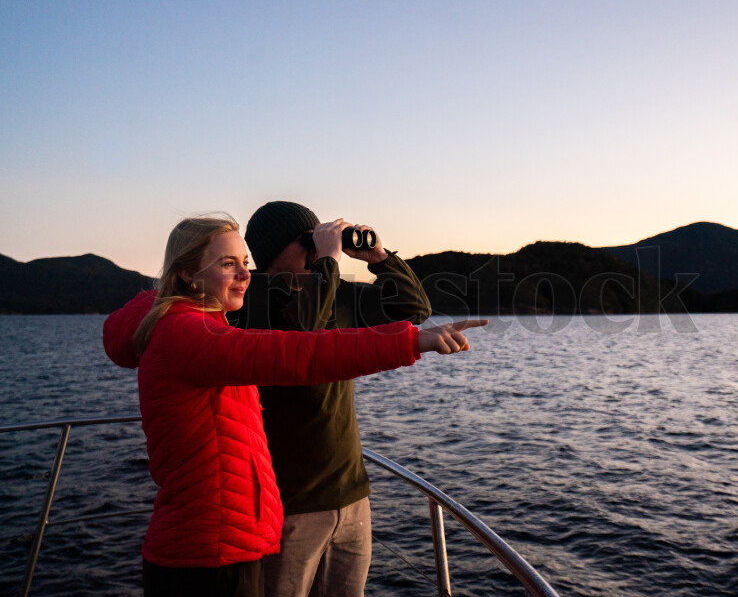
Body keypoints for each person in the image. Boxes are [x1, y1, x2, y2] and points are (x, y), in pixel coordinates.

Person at [102, 215, 486, 597]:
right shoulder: (230, 315)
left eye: (243, 262)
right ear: (188, 273)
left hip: (300, 507)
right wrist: (334, 268)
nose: (241, 273)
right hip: (249, 526)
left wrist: (379, 257)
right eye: (227, 263)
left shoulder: (210, 321)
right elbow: (304, 347)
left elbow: (412, 308)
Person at [229, 202, 430, 597]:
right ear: (272, 250)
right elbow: (305, 331)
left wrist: (379, 258)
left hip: (352, 495)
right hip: (289, 504)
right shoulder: (252, 302)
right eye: (305, 242)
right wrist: (328, 262)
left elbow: (415, 309)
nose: (312, 251)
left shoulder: (337, 294)